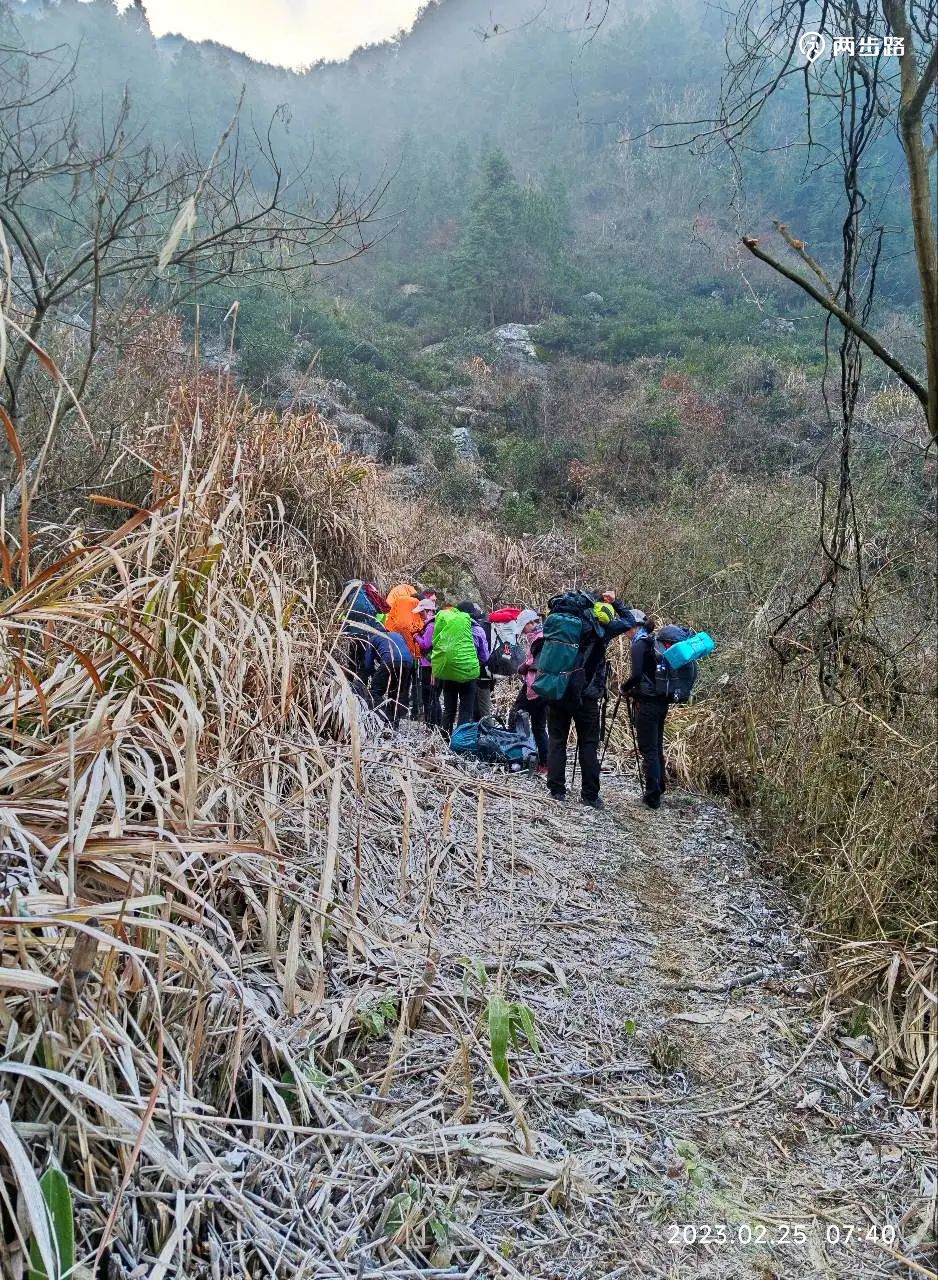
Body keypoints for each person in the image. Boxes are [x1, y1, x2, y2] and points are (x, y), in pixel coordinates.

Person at [545, 595, 635, 810]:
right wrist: (615, 602)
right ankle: (590, 795)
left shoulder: (557, 622)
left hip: (557, 689)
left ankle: (557, 790)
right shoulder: (600, 627)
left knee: (557, 739)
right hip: (587, 694)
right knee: (588, 742)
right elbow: (629, 621)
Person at [623, 614, 683, 811]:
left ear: (636, 626)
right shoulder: (653, 642)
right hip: (661, 701)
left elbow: (636, 675)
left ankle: (652, 796)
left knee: (648, 748)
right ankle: (659, 787)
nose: (625, 632)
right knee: (656, 746)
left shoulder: (639, 644)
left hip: (647, 702)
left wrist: (625, 688)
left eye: (627, 628)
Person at [432, 604, 485, 733]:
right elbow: (485, 656)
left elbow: (436, 645)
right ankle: (459, 741)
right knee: (466, 710)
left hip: (449, 673)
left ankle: (445, 738)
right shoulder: (477, 630)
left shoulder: (448, 627)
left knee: (449, 709)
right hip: (468, 674)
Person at [508, 608, 548, 773]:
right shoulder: (547, 635)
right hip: (545, 688)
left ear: (531, 623)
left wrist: (523, 667)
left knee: (515, 715)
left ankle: (515, 756)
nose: (524, 631)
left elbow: (536, 662)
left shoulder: (539, 639)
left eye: (524, 627)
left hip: (533, 686)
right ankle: (544, 764)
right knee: (539, 726)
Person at [341, 579, 389, 685]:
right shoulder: (367, 597)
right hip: (369, 635)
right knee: (365, 661)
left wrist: (344, 632)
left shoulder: (352, 598)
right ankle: (364, 685)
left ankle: (352, 685)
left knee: (353, 660)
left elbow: (346, 618)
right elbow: (376, 617)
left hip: (355, 636)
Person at [367, 625, 415, 727]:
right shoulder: (397, 635)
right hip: (408, 662)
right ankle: (394, 724)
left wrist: (373, 675)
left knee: (374, 692)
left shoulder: (373, 638)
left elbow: (367, 664)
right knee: (396, 693)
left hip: (390, 660)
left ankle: (384, 718)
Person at [458, 602, 495, 718]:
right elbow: (485, 655)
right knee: (483, 707)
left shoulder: (467, 627)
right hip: (486, 670)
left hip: (472, 672)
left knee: (477, 707)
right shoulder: (486, 624)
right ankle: (483, 727)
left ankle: (481, 727)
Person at [413, 597, 442, 727]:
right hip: (435, 664)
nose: (420, 615)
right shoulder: (436, 624)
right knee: (433, 696)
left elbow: (426, 644)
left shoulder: (431, 626)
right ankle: (435, 724)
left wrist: (416, 637)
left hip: (429, 666)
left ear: (429, 611)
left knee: (429, 696)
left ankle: (431, 724)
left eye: (422, 612)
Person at [384, 583, 423, 663]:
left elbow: (390, 615)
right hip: (411, 654)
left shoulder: (398, 600)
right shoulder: (415, 605)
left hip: (392, 647)